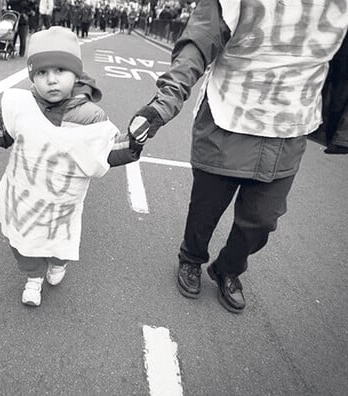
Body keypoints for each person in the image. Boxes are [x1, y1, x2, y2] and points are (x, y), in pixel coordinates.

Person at [128, 0, 348, 313]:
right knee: (205, 210)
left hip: (290, 126)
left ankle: (227, 268)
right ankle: (191, 259)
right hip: (227, 118)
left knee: (261, 221)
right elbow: (199, 40)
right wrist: (165, 101)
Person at [0, 27, 143, 306]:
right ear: (32, 76)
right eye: (41, 73)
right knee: (22, 241)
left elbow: (105, 154)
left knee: (59, 240)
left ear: (76, 74)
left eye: (61, 70)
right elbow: (3, 135)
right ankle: (33, 277)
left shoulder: (90, 115)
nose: (51, 80)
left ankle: (57, 263)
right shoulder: (21, 105)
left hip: (62, 203)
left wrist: (133, 143)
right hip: (24, 197)